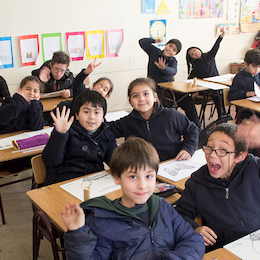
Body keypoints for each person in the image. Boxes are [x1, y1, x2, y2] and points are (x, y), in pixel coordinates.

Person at [61, 137, 205, 260]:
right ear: (117, 178)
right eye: (133, 176)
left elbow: (191, 239)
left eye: (148, 176)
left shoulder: (163, 207)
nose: (142, 185)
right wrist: (77, 232)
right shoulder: (103, 220)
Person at [175, 122, 260, 251]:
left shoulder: (254, 167)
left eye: (223, 150)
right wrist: (195, 228)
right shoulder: (197, 183)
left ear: (240, 156)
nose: (212, 155)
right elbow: (179, 215)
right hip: (228, 250)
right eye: (209, 147)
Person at [108, 77, 199, 162]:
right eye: (135, 96)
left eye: (146, 94)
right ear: (130, 102)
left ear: (155, 97)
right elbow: (105, 129)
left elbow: (192, 130)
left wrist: (188, 149)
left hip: (172, 163)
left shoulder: (171, 115)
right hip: (143, 169)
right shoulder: (127, 122)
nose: (141, 99)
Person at [42, 90, 117, 185]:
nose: (91, 117)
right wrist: (60, 134)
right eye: (86, 111)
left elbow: (116, 162)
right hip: (64, 183)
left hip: (93, 183)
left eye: (97, 112)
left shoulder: (107, 135)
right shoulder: (66, 130)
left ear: (103, 118)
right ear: (77, 115)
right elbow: (51, 161)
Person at [139, 37, 201, 127]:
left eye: (174, 50)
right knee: (165, 102)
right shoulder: (155, 52)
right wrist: (155, 41)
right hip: (154, 88)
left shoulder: (173, 61)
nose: (170, 50)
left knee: (188, 100)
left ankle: (196, 127)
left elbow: (173, 71)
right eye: (170, 46)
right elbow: (142, 42)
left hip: (169, 88)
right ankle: (168, 128)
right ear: (166, 45)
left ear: (175, 53)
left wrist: (163, 68)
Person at [186, 28, 225, 118]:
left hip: (216, 84)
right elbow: (190, 78)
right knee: (217, 95)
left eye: (194, 50)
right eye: (191, 54)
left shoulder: (209, 56)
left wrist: (221, 36)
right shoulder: (195, 65)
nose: (194, 53)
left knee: (218, 95)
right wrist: (196, 92)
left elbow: (216, 46)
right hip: (205, 87)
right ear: (192, 59)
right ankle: (222, 115)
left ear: (198, 49)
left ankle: (222, 114)